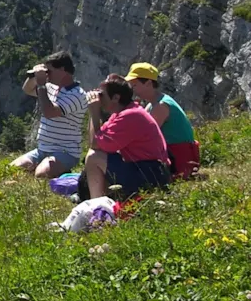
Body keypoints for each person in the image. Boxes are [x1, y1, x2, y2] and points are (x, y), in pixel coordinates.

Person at [84, 75, 171, 200]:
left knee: (94, 156)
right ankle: (104, 198)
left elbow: (94, 144)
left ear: (116, 98)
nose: (99, 99)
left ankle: (96, 204)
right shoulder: (123, 113)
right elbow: (100, 139)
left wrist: (94, 113)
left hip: (151, 174)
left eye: (102, 94)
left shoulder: (130, 116)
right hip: (149, 170)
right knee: (99, 155)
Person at [12, 51, 88, 179]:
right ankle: (49, 167)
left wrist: (41, 85)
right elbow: (27, 89)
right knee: (12, 170)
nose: (48, 74)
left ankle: (62, 170)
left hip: (65, 152)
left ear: (63, 70)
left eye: (50, 71)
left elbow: (50, 112)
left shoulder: (77, 95)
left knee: (41, 175)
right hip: (42, 150)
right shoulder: (51, 87)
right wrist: (34, 77)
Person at [124, 62, 200, 180]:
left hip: (178, 158)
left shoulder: (161, 106)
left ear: (149, 83)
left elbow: (144, 136)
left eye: (134, 85)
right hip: (176, 154)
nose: (132, 90)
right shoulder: (153, 103)